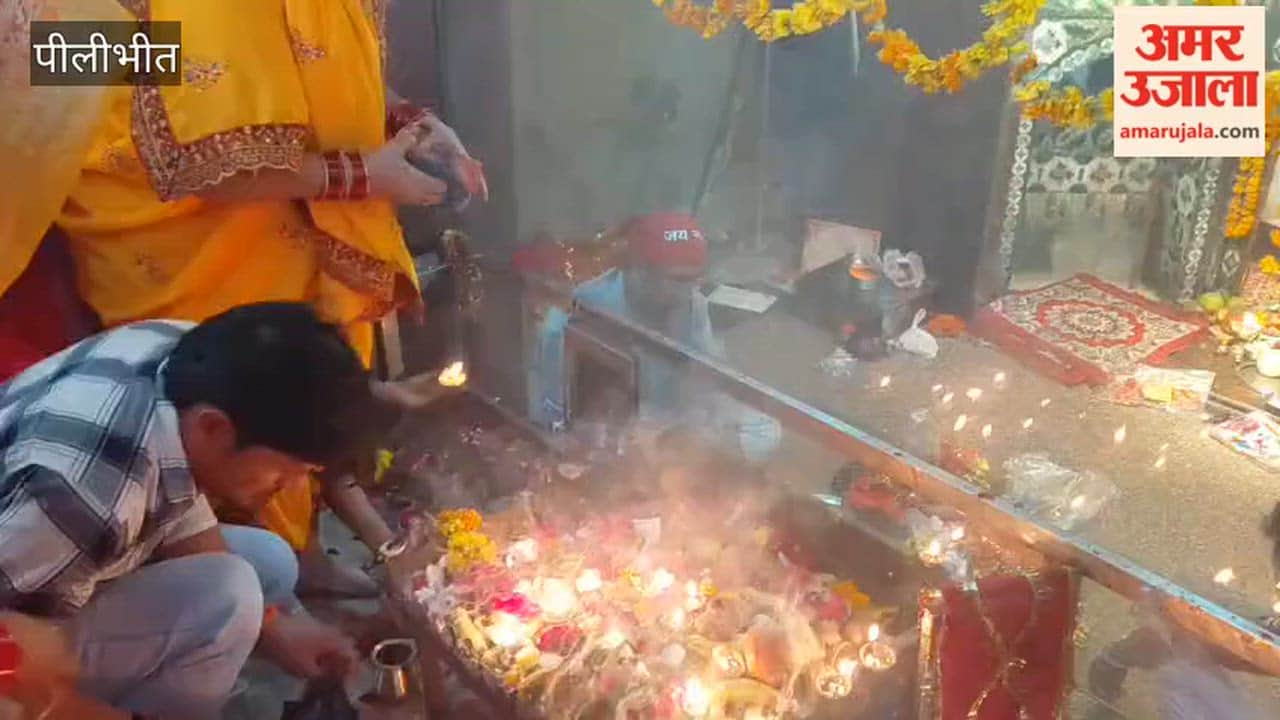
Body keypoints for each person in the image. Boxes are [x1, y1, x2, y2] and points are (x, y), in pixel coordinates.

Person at [0, 0, 484, 571]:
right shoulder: (93, 22)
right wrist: (359, 174)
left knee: (298, 390)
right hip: (168, 221)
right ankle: (241, 579)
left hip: (289, 200)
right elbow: (189, 146)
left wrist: (404, 119)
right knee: (231, 409)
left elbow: (306, 63)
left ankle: (298, 555)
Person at [0, 303, 399, 718]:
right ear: (213, 427)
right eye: (286, 470)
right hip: (19, 612)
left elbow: (175, 492)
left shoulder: (191, 359)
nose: (290, 487)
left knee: (268, 564)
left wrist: (274, 626)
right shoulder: (80, 497)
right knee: (228, 599)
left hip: (50, 560)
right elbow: (10, 664)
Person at [527, 212, 781, 463]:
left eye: (694, 279)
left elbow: (708, 379)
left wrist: (701, 427)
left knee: (765, 429)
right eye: (677, 279)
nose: (686, 290)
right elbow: (553, 416)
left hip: (676, 422)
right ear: (639, 271)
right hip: (618, 432)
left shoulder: (693, 304)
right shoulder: (586, 309)